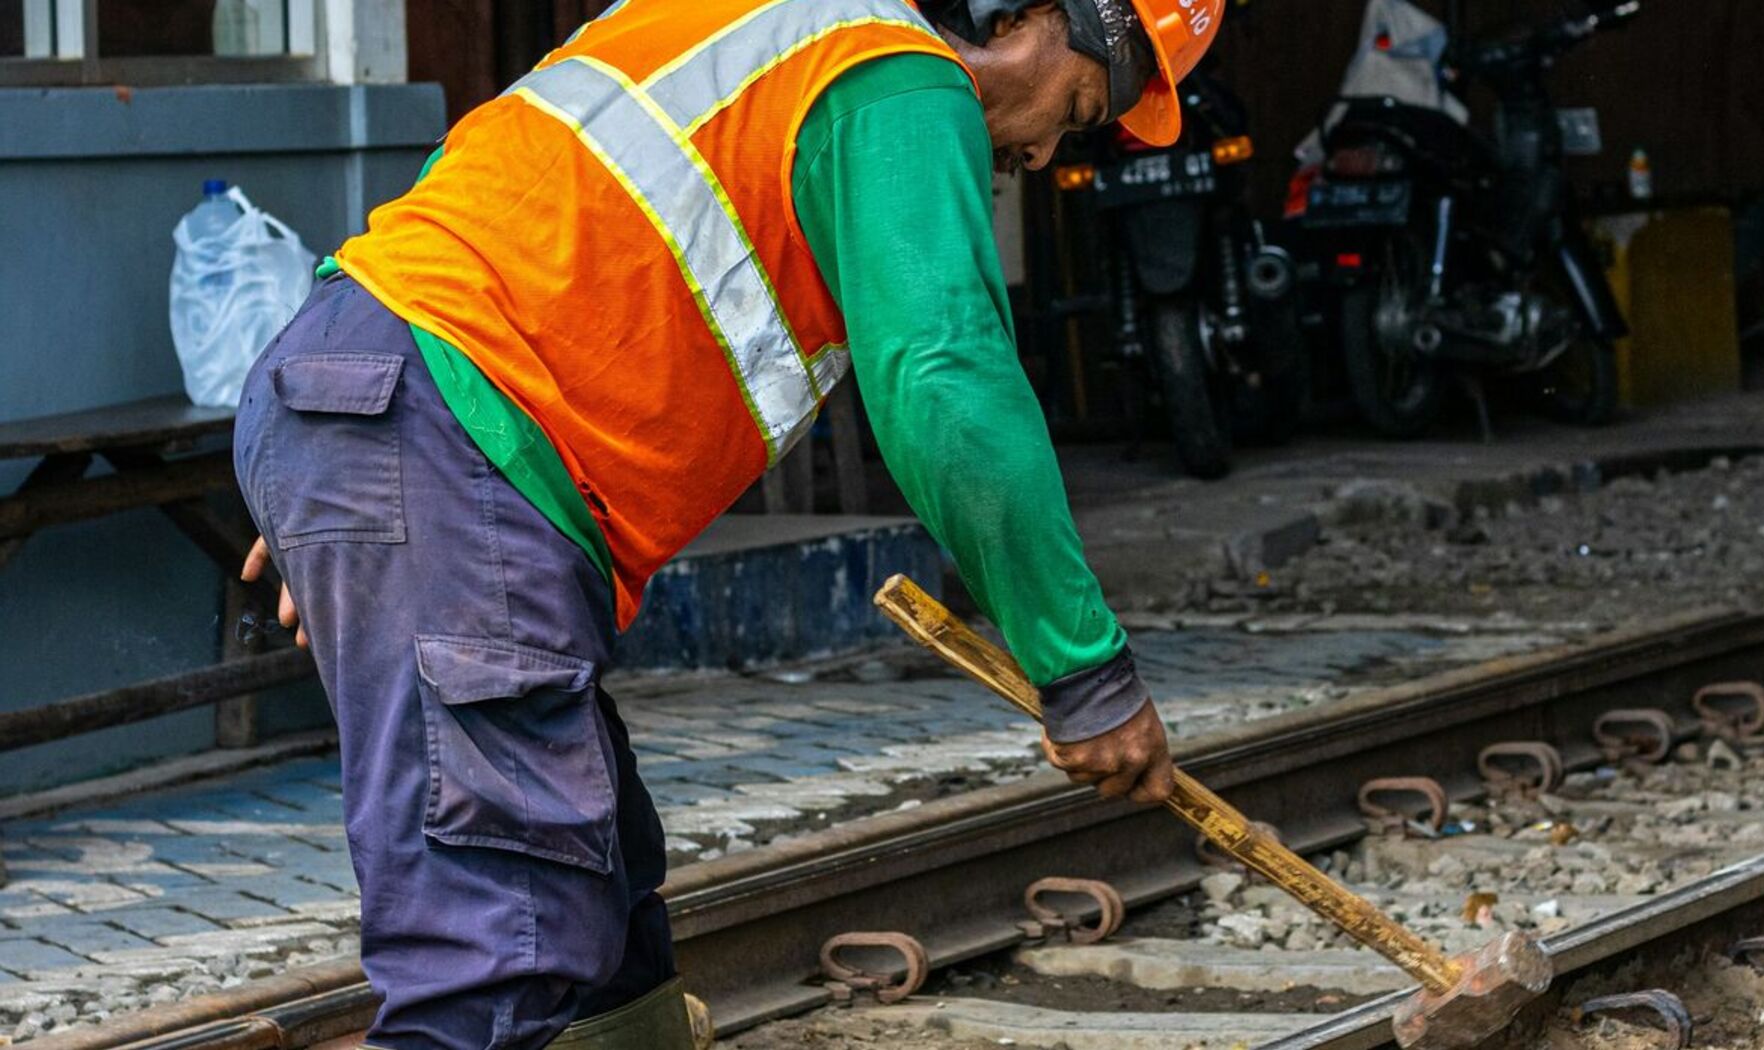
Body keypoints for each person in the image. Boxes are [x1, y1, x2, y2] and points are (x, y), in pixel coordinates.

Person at [232, 0, 1223, 1044]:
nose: (1036, 149)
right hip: (442, 427)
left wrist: (345, 483)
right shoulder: (896, 80)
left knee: (597, 901)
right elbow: (947, 381)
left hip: (365, 383)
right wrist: (1085, 675)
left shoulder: (755, 22)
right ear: (1030, 13)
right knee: (497, 944)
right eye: (1071, 107)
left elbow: (495, 187)